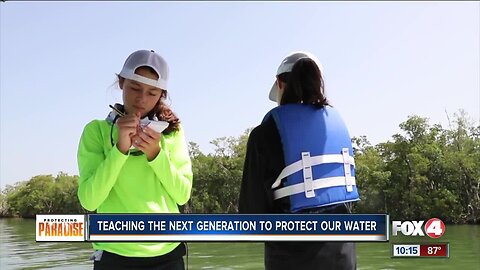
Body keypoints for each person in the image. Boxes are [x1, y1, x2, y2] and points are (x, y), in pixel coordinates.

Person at [239, 51, 360, 270]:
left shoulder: (264, 134)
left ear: (279, 83)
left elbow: (251, 215)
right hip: (343, 255)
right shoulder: (337, 128)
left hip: (290, 259)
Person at [77, 49, 193, 270]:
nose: (141, 99)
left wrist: (155, 155)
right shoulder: (96, 132)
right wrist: (120, 150)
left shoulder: (172, 132)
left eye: (152, 92)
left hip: (168, 255)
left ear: (162, 94)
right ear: (121, 82)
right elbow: (89, 200)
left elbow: (182, 194)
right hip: (113, 255)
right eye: (134, 88)